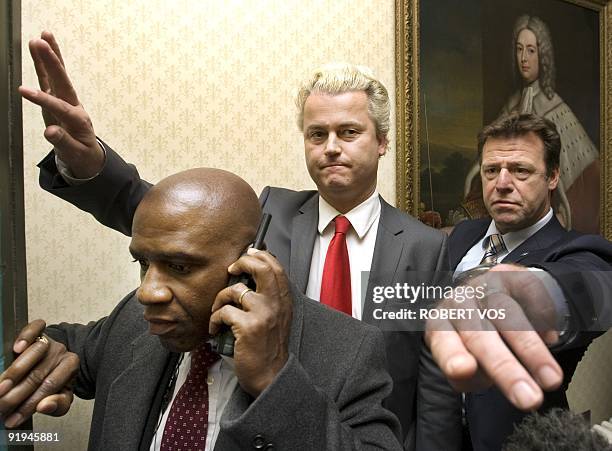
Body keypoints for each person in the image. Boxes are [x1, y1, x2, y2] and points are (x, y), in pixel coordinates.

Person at [18, 32, 457, 449]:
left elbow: (432, 378)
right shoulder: (268, 215)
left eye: (349, 132)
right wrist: (89, 163)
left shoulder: (424, 246)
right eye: (317, 134)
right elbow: (174, 226)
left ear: (381, 142)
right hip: (252, 421)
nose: (331, 148)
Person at [1, 168, 403, 450]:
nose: (148, 291)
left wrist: (274, 380)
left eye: (179, 267)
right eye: (143, 263)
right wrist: (43, 349)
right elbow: (68, 343)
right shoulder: (135, 322)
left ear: (248, 261)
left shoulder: (347, 349)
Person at [426, 113, 612, 450]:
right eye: (491, 171)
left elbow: (592, 290)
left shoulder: (577, 250)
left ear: (553, 176)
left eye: (521, 170)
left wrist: (536, 292)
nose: (502, 183)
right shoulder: (457, 237)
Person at [459, 15, 600, 233]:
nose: (524, 58)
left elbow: (589, 169)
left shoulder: (555, 106)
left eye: (531, 50)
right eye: (519, 49)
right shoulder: (513, 102)